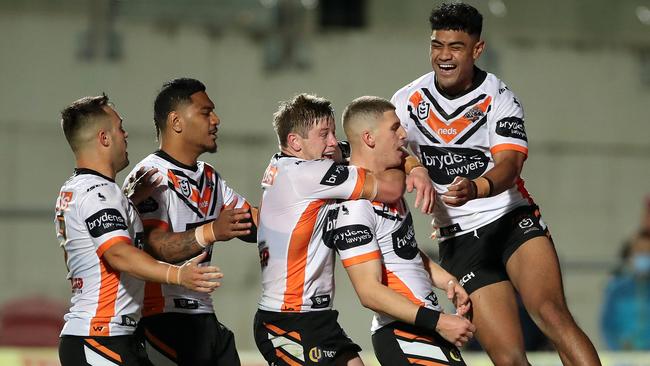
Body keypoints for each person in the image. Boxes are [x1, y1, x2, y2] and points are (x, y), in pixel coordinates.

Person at [390, 3, 601, 365]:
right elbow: (385, 149)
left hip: (510, 221)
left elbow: (510, 164)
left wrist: (479, 187)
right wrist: (414, 166)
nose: (443, 56)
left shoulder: (499, 97)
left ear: (477, 49)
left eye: (455, 47)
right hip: (458, 239)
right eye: (436, 45)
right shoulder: (407, 99)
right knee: (508, 358)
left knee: (551, 314)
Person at [253, 93, 434, 366]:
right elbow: (391, 188)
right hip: (287, 319)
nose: (332, 143)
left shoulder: (291, 164)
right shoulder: (308, 174)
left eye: (333, 133)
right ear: (294, 142)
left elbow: (375, 149)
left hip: (317, 317)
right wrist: (409, 169)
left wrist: (414, 165)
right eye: (324, 134)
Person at [55, 94, 222, 365]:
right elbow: (119, 254)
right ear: (104, 138)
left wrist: (129, 201)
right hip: (101, 337)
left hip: (103, 336)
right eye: (119, 127)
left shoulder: (78, 189)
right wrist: (178, 275)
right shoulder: (100, 193)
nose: (125, 134)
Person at [331, 96, 474, 366]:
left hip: (421, 329)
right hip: (402, 334)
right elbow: (369, 292)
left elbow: (402, 250)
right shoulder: (356, 207)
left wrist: (447, 282)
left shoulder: (387, 188)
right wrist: (440, 321)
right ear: (369, 138)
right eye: (394, 128)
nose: (404, 134)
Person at [123, 78, 256, 365]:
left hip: (204, 319)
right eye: (206, 112)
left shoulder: (209, 176)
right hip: (164, 321)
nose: (216, 120)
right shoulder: (151, 175)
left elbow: (253, 222)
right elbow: (154, 247)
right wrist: (210, 231)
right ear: (176, 121)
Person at [600, 231, 650, 350]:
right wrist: (619, 349)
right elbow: (607, 326)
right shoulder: (617, 290)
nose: (644, 256)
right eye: (640, 252)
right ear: (630, 255)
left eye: (648, 252)